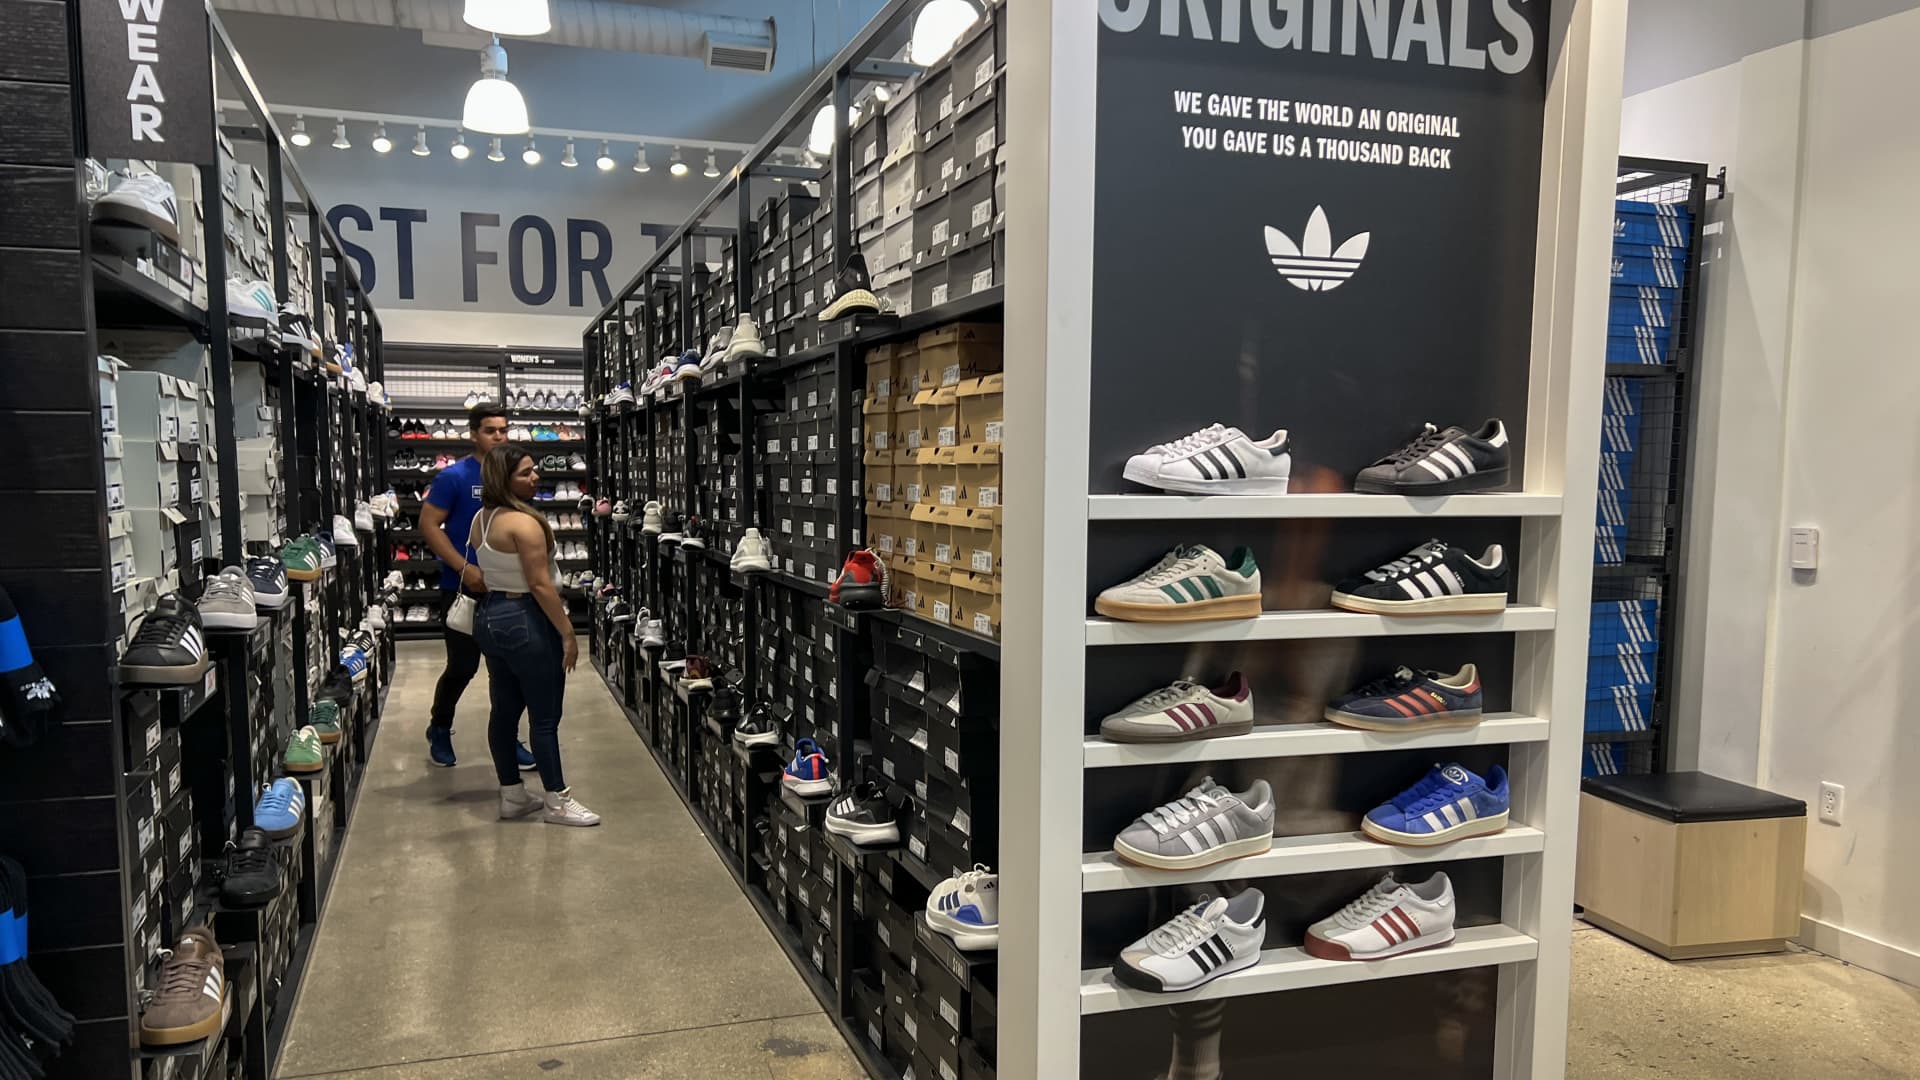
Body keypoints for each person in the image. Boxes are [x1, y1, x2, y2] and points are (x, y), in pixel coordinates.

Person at [468, 446, 599, 826]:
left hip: (491, 615)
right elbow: (540, 584)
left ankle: (512, 795)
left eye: (534, 470)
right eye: (525, 473)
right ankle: (557, 801)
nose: (535, 477)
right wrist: (568, 633)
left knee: (504, 711)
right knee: (545, 717)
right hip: (526, 617)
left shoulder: (481, 519)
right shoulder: (524, 524)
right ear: (503, 479)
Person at [418, 402, 534, 771]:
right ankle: (439, 727)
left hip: (508, 588)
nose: (499, 436)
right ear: (473, 434)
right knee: (463, 666)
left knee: (510, 670)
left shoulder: (513, 475)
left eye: (503, 430)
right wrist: (463, 568)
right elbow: (428, 525)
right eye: (490, 430)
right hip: (463, 588)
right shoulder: (454, 477)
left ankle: (508, 738)